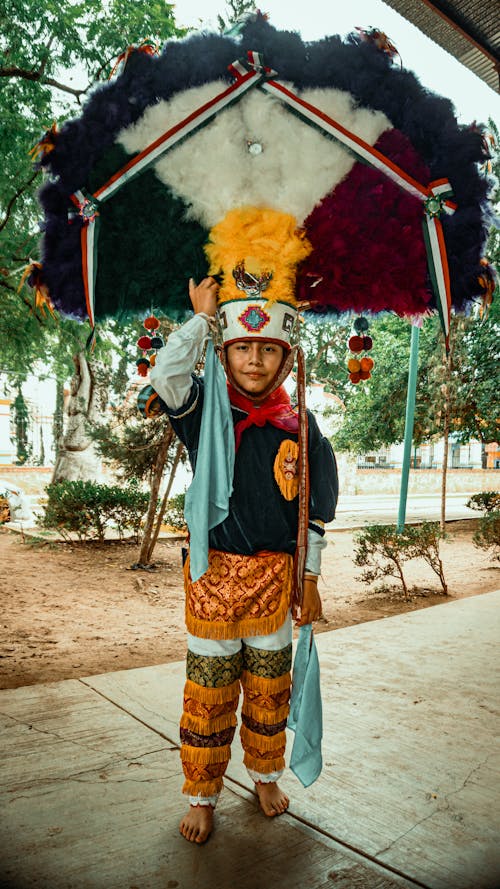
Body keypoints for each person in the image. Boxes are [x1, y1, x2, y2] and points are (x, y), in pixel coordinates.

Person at [150, 209, 338, 844]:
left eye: (267, 349)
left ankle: (264, 776)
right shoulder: (201, 409)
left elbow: (316, 510)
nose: (254, 360)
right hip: (213, 580)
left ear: (284, 357)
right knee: (208, 693)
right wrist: (202, 319)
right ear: (224, 351)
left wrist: (308, 577)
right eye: (242, 347)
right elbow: (165, 376)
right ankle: (202, 793)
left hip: (275, 586)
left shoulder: (303, 426)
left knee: (269, 692)